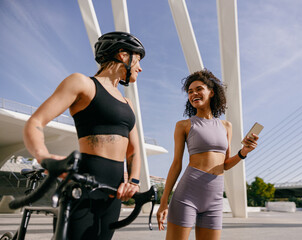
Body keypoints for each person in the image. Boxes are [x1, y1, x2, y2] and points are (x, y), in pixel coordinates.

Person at [23, 31, 145, 240]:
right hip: (83, 185)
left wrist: (133, 181)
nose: (140, 68)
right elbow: (35, 122)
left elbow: (133, 150)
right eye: (138, 60)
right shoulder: (82, 83)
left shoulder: (128, 103)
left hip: (113, 191)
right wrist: (45, 158)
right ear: (123, 55)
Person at [156, 69, 259, 240]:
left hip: (215, 197)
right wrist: (163, 200)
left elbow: (225, 164)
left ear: (211, 92)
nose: (193, 94)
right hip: (187, 194)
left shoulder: (226, 126)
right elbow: (176, 164)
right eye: (190, 92)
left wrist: (243, 152)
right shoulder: (184, 125)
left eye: (198, 89)